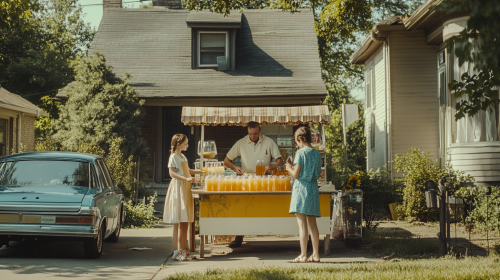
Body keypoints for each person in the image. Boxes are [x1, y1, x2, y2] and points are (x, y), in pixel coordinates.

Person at [224, 121, 283, 248]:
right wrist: (235, 168)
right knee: (243, 207)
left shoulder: (268, 142)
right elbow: (226, 160)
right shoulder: (241, 143)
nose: (253, 136)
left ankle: (270, 232)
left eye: (255, 133)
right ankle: (239, 236)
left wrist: (271, 166)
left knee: (265, 207)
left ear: (260, 130)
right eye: (250, 134)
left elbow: (280, 160)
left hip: (265, 181)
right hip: (247, 181)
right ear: (248, 132)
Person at [286, 126, 322, 263]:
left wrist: (289, 167)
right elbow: (318, 173)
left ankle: (303, 255)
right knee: (313, 224)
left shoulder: (301, 153)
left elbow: (296, 174)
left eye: (297, 141)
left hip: (301, 188)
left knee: (302, 225)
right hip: (313, 188)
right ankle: (316, 254)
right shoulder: (317, 153)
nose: (297, 144)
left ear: (300, 139)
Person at [163, 134, 201, 261]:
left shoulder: (182, 156)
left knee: (185, 221)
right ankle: (176, 251)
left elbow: (187, 170)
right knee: (178, 221)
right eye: (186, 143)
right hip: (178, 188)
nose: (187, 145)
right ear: (178, 144)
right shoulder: (173, 156)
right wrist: (186, 178)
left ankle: (184, 250)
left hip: (185, 188)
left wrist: (199, 172)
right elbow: (172, 173)